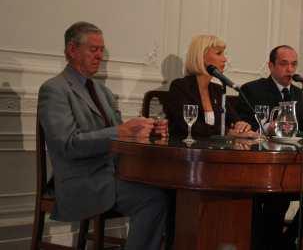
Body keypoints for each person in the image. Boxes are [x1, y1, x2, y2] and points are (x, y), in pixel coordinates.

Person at [38, 21, 169, 250]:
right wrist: (120, 131)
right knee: (153, 199)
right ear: (72, 50)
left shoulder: (103, 92)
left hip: (113, 174)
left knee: (170, 192)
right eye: (93, 49)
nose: (100, 56)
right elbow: (66, 145)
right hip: (81, 181)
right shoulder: (54, 89)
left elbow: (122, 139)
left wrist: (148, 133)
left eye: (101, 50)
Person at [236, 45, 303, 250]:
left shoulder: (299, 94)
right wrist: (267, 127)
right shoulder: (252, 90)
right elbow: (242, 125)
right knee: (277, 200)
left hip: (295, 165)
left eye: (293, 64)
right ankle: (273, 243)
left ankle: (285, 241)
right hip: (264, 166)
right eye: (284, 64)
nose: (290, 70)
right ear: (271, 65)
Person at [167, 34, 255, 138]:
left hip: (214, 151)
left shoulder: (217, 89)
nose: (225, 59)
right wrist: (227, 132)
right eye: (219, 53)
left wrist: (241, 125)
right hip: (185, 150)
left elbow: (235, 120)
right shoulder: (180, 87)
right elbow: (190, 127)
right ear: (202, 57)